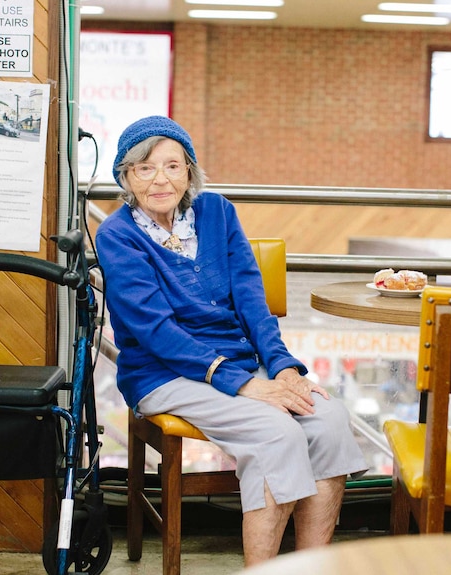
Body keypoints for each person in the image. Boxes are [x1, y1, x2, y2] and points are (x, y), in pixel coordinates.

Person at [94, 116, 367, 566]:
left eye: (172, 165)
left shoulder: (218, 213)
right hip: (162, 374)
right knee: (276, 434)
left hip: (238, 364)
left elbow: (251, 298)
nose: (160, 178)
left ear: (189, 171)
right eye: (145, 168)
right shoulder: (118, 235)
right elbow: (155, 332)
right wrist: (245, 384)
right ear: (126, 177)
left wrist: (281, 367)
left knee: (329, 418)